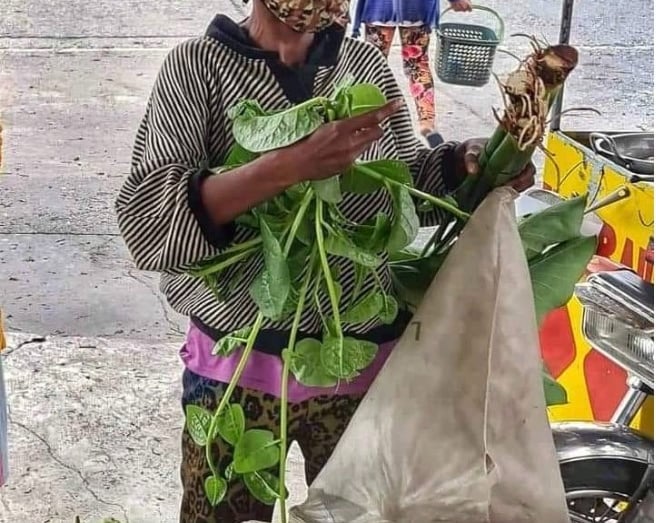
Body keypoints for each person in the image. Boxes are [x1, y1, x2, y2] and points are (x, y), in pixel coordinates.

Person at [114, 1, 534, 521]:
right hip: (238, 369)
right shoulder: (196, 67)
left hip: (358, 366)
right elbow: (149, 223)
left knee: (365, 514)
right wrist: (289, 166)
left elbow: (403, 188)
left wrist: (462, 166)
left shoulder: (363, 65)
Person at [351, 0, 473, 147]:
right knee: (418, 65)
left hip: (381, 6)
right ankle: (427, 123)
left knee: (373, 65)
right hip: (416, 7)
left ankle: (367, 121)